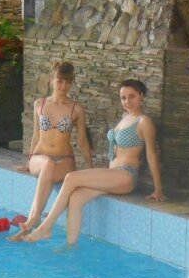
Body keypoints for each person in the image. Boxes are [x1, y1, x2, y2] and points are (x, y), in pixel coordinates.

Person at [24, 79, 165, 244]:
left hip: (126, 174)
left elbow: (151, 155)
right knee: (75, 198)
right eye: (123, 98)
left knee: (71, 178)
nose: (127, 101)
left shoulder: (144, 121)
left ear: (141, 96)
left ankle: (45, 228)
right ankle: (71, 246)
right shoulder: (125, 117)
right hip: (114, 174)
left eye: (132, 96)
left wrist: (158, 189)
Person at [8, 61, 93, 242]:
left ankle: (30, 224)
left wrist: (90, 167)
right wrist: (28, 161)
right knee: (47, 164)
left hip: (64, 160)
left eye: (68, 81)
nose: (64, 86)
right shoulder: (39, 104)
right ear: (51, 80)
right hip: (40, 157)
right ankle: (34, 220)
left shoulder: (76, 108)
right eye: (60, 80)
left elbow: (82, 141)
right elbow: (36, 135)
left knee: (50, 166)